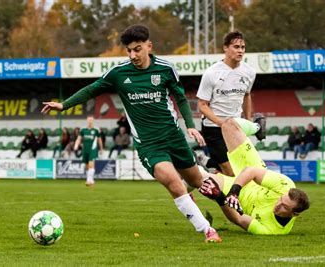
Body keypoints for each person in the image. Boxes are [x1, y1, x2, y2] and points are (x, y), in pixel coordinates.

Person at [42, 24, 222, 243]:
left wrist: (191, 125)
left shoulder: (166, 69)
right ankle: (207, 230)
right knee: (172, 181)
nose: (133, 55)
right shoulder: (119, 73)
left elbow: (181, 98)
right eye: (129, 51)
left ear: (149, 46)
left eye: (137, 49)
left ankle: (196, 189)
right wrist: (64, 105)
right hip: (149, 144)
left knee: (195, 180)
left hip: (174, 137)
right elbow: (92, 89)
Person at [198, 118, 310, 235]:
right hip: (250, 174)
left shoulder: (273, 230)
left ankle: (200, 167)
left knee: (198, 179)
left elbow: (238, 219)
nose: (278, 205)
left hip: (238, 197)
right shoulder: (286, 185)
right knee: (229, 125)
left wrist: (220, 197)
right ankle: (257, 127)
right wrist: (234, 192)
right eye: (281, 199)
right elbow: (251, 171)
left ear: (294, 214)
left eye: (285, 207)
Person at [196, 30, 264, 176]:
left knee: (232, 170)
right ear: (225, 48)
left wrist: (249, 122)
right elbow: (202, 105)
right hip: (213, 127)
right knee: (231, 172)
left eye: (243, 47)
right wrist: (222, 123)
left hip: (235, 126)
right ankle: (209, 164)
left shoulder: (249, 72)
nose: (240, 51)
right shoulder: (211, 73)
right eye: (236, 47)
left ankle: (205, 164)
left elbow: (247, 96)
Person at [74, 116, 103, 186]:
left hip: (93, 149)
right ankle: (91, 180)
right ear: (87, 121)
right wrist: (76, 145)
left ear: (93, 121)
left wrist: (101, 149)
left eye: (91, 120)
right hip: (85, 149)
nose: (90, 121)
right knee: (86, 166)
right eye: (89, 120)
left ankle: (88, 180)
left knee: (91, 164)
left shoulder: (96, 130)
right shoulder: (83, 130)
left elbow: (99, 140)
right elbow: (79, 138)